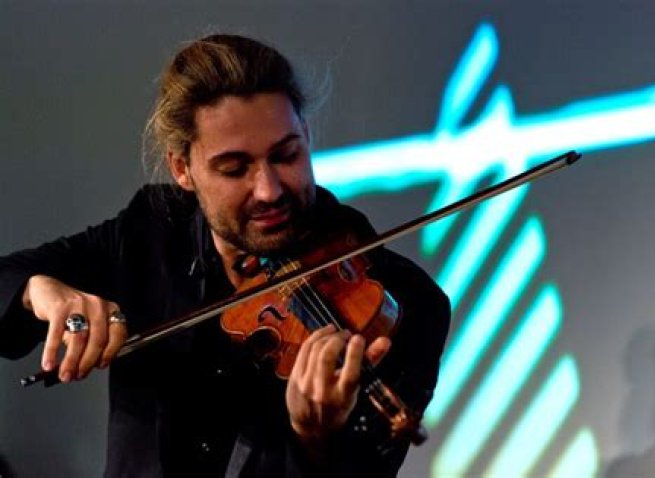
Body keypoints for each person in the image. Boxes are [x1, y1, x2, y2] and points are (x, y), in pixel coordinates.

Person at [0, 34, 450, 477]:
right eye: (234, 169)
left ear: (306, 136)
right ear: (183, 169)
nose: (269, 190)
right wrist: (37, 291)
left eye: (286, 155)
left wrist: (314, 441)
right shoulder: (149, 232)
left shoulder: (406, 301)